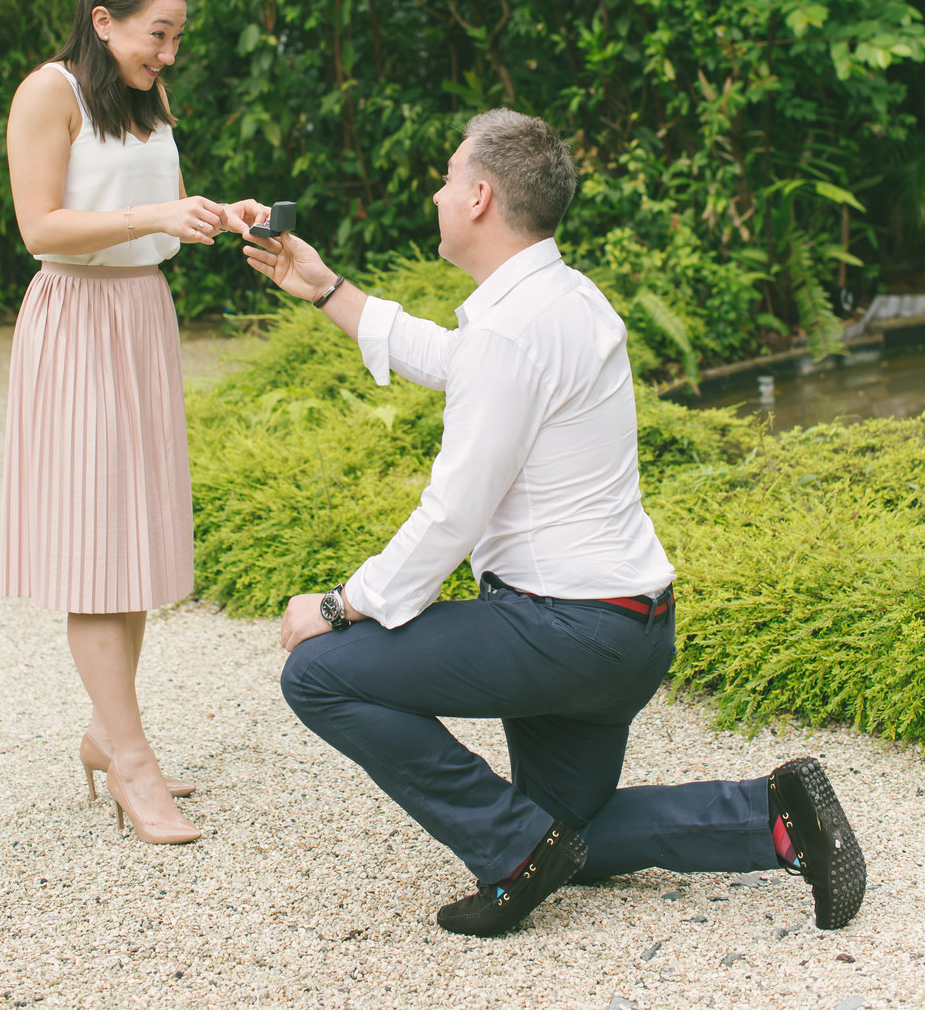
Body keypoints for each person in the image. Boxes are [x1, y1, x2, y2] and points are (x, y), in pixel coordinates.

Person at [243, 108, 866, 936]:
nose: (435, 190)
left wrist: (336, 606)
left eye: (445, 175)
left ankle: (509, 854)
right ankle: (776, 816)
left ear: (478, 196)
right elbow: (453, 359)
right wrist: (324, 287)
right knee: (566, 835)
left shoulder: (512, 329)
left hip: (560, 634)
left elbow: (453, 512)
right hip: (631, 631)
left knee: (318, 673)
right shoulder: (563, 299)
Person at [1, 0, 258, 847]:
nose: (171, 53)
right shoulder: (50, 93)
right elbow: (41, 226)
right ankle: (133, 762)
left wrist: (216, 214)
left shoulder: (144, 99)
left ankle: (110, 739)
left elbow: (163, 202)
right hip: (77, 320)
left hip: (142, 316)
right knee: (94, 548)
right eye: (161, 33)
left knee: (135, 543)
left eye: (178, 35)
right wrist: (154, 219)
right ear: (104, 21)